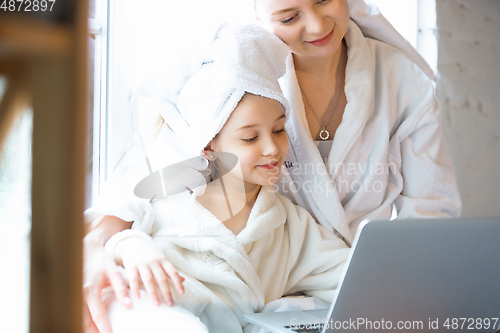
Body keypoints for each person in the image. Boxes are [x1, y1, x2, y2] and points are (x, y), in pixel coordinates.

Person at [84, 0, 462, 331]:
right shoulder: (236, 79)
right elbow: (146, 188)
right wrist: (114, 245)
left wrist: (412, 301)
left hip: (337, 297)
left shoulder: (404, 84)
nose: (316, 25)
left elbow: (428, 220)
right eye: (288, 16)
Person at [88, 23, 349, 333]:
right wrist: (130, 245)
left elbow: (353, 276)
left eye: (279, 130)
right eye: (250, 138)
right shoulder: (165, 195)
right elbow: (112, 242)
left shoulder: (289, 226)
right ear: (210, 145)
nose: (272, 148)